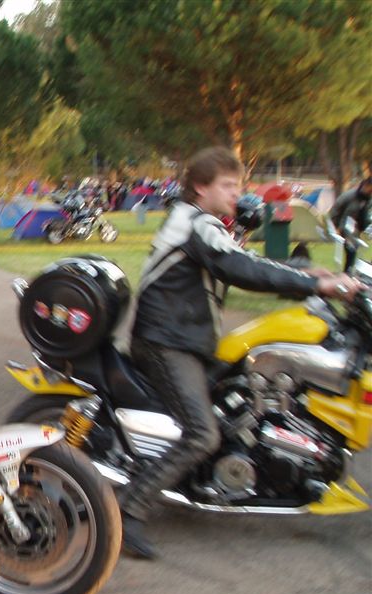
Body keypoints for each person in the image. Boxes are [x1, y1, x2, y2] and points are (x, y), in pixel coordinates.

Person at [120, 146, 363, 560]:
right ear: (201, 187)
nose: (237, 193)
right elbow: (239, 268)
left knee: (236, 399)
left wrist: (308, 273)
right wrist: (316, 285)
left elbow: (241, 259)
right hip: (165, 343)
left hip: (184, 337)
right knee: (202, 433)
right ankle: (128, 510)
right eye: (228, 185)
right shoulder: (195, 223)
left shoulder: (200, 222)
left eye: (238, 184)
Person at [329, 175, 372, 273]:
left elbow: (364, 216)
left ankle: (353, 271)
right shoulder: (351, 197)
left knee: (354, 247)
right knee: (351, 248)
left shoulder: (367, 198)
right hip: (340, 225)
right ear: (366, 185)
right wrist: (338, 230)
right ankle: (347, 272)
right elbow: (341, 216)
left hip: (353, 227)